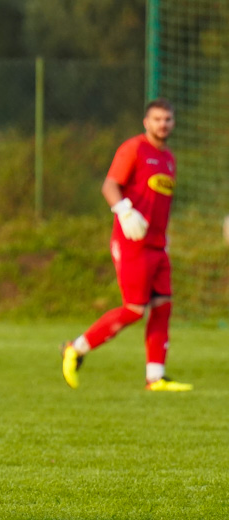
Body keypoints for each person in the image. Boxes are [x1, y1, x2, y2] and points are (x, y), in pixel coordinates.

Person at [61, 98, 192, 392]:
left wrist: (164, 236)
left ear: (173, 123)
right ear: (146, 122)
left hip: (158, 245)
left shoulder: (169, 158)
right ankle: (75, 348)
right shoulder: (133, 148)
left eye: (168, 119)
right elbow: (110, 185)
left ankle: (155, 377)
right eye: (157, 119)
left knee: (162, 306)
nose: (163, 124)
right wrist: (124, 211)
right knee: (134, 309)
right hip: (132, 241)